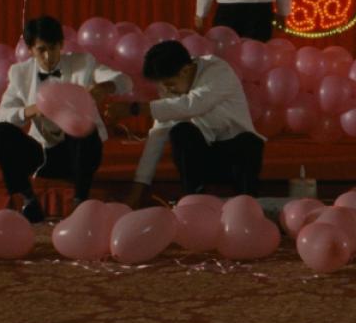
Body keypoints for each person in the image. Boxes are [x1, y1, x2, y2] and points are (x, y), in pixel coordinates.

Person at [0, 15, 132, 222]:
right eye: (41, 50)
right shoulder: (20, 73)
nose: (48, 56)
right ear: (30, 50)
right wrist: (31, 110)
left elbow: (125, 81)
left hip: (79, 154)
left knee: (85, 126)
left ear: (61, 45)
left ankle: (79, 203)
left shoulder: (82, 62)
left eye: (53, 48)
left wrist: (105, 87)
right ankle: (28, 200)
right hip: (42, 157)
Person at [106, 40, 264, 207]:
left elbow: (192, 105)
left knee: (248, 141)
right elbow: (158, 135)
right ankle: (194, 200)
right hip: (205, 156)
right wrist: (136, 192)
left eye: (170, 84)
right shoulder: (171, 88)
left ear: (186, 70)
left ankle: (248, 204)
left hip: (236, 155)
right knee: (181, 132)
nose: (167, 91)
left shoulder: (217, 71)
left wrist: (134, 109)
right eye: (162, 86)